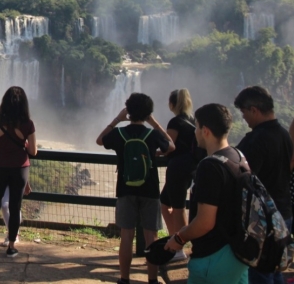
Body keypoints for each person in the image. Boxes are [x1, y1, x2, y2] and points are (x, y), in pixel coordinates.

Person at [96, 92, 175, 284]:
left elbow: (99, 140)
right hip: (150, 190)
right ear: (148, 113)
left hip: (125, 189)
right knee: (152, 237)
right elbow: (171, 146)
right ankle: (152, 279)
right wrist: (154, 123)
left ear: (128, 112)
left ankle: (124, 279)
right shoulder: (152, 134)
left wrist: (117, 119)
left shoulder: (119, 134)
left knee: (126, 236)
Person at [165, 103, 248, 283]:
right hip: (237, 253)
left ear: (206, 131)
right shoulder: (238, 156)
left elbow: (205, 221)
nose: (195, 132)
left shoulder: (209, 166)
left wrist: (179, 238)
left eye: (197, 127)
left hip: (213, 256)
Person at [234, 86, 293, 284]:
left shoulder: (256, 139)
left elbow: (241, 177)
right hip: (283, 213)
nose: (244, 118)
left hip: (261, 220)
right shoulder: (284, 134)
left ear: (254, 110)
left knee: (259, 272)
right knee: (275, 269)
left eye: (244, 112)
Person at [0, 87, 36, 258]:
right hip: (19, 168)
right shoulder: (28, 123)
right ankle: (11, 245)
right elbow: (33, 151)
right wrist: (24, 144)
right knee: (15, 206)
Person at [160, 88, 198, 261]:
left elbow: (169, 146)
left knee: (178, 206)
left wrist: (156, 152)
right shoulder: (193, 120)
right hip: (189, 167)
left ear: (172, 104)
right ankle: (174, 239)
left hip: (177, 168)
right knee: (165, 202)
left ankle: (179, 249)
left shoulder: (175, 122)